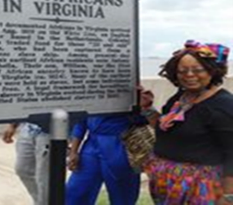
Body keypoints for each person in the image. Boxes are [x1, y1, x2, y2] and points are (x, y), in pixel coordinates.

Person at [142, 40, 233, 204]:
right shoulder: (180, 98)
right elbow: (165, 129)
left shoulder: (223, 106)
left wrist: (228, 196)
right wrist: (147, 107)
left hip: (201, 186)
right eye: (182, 71)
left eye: (198, 70)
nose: (189, 75)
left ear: (212, 71)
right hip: (167, 182)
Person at [65, 95, 151, 205]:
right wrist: (74, 151)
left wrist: (144, 106)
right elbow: (81, 119)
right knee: (76, 192)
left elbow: (145, 119)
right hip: (92, 146)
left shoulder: (132, 89)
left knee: (122, 196)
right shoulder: (90, 88)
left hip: (121, 145)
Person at [2, 122, 50, 205]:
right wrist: (12, 125)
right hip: (27, 128)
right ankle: (40, 202)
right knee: (22, 169)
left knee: (43, 176)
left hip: (51, 131)